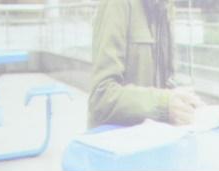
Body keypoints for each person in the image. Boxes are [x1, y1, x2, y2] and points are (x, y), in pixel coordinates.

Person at [86, 0, 202, 128]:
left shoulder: (165, 7)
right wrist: (163, 104)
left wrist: (181, 101)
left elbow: (164, 82)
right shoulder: (116, 4)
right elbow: (101, 98)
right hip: (114, 135)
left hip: (149, 132)